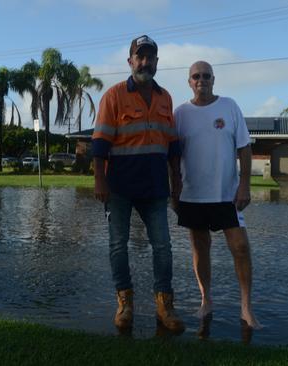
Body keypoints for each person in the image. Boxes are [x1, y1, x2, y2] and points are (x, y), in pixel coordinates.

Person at [92, 35, 185, 334]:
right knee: (118, 246)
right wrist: (99, 179)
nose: (145, 62)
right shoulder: (114, 95)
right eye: (139, 56)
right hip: (119, 187)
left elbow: (172, 145)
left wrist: (177, 180)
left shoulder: (165, 97)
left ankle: (164, 306)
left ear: (157, 62)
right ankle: (125, 303)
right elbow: (100, 144)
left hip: (156, 187)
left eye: (150, 57)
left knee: (163, 247)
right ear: (130, 61)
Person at [174, 61, 261, 343]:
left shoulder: (230, 106)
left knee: (240, 246)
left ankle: (246, 307)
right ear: (189, 82)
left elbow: (244, 148)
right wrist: (173, 191)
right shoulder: (180, 114)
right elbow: (173, 157)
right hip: (193, 194)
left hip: (227, 194)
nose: (201, 80)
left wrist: (245, 185)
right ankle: (206, 299)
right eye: (196, 76)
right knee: (200, 247)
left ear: (214, 79)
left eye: (206, 76)